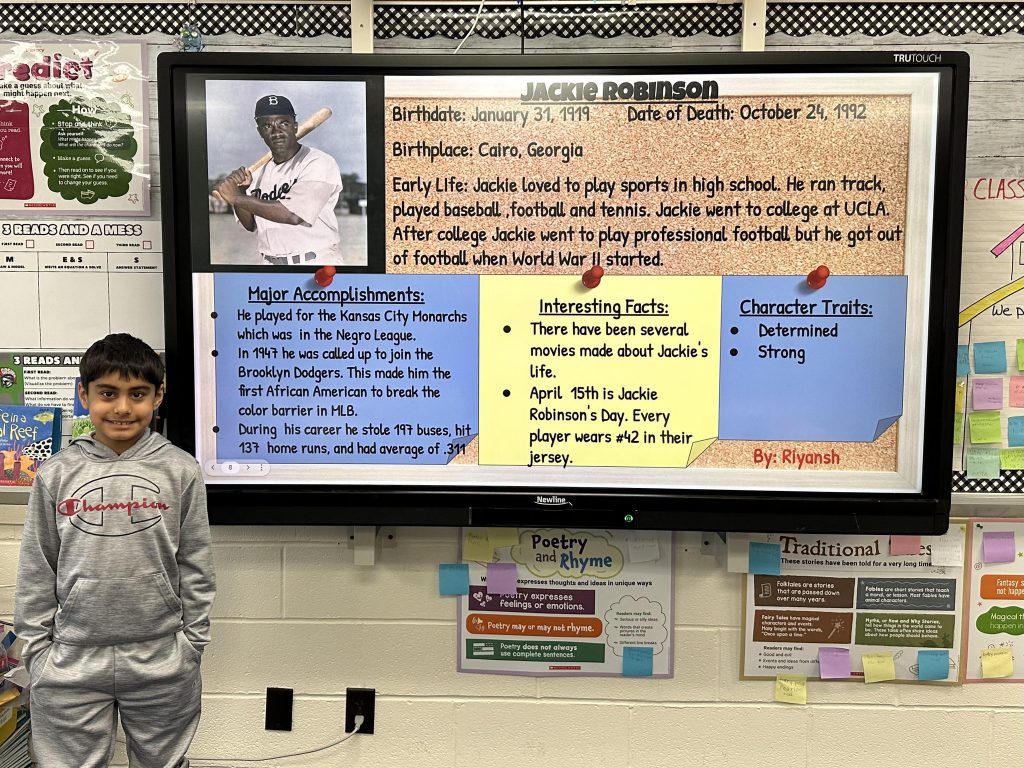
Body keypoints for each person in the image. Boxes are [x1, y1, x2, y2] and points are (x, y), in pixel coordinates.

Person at [15, 334, 216, 768]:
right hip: (70, 660)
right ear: (84, 394)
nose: (122, 408)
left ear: (158, 396)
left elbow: (196, 564)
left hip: (162, 659)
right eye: (108, 393)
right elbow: (37, 566)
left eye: (137, 394)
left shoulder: (181, 470)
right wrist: (37, 652)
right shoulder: (56, 473)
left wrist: (191, 644)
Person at [215, 94, 343, 265]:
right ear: (260, 131)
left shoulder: (318, 162)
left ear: (295, 126)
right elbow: (250, 224)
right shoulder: (258, 174)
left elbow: (293, 215)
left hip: (315, 262)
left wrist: (235, 197)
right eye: (267, 125)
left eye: (283, 123)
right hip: (269, 264)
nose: (276, 132)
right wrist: (241, 193)